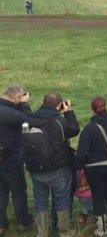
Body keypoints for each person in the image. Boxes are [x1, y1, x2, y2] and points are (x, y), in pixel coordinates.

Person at [26, 93, 80, 237]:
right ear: (59, 104)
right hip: (58, 167)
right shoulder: (59, 122)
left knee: (40, 201)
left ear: (43, 102)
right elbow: (74, 129)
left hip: (36, 168)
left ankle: (42, 232)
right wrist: (68, 112)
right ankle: (64, 231)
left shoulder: (30, 118)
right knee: (62, 199)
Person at [74, 97, 107, 236]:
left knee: (98, 196)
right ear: (106, 106)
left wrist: (78, 167)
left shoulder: (89, 129)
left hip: (94, 168)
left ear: (92, 110)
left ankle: (102, 229)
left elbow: (82, 152)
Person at [0, 84, 35, 235]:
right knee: (18, 190)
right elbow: (29, 121)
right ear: (17, 97)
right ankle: (24, 221)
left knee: (1, 191)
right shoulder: (10, 113)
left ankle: (1, 223)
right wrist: (24, 104)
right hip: (10, 156)